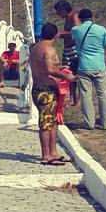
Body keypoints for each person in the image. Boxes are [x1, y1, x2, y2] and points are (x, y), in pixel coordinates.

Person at [28, 24, 75, 165]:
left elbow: (43, 67)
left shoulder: (36, 48)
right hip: (46, 91)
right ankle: (46, 155)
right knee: (46, 123)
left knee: (53, 121)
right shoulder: (48, 49)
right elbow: (49, 69)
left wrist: (60, 68)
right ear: (55, 35)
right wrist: (66, 77)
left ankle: (53, 152)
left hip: (39, 88)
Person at [72, 8, 106, 130]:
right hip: (99, 66)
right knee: (103, 95)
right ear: (92, 17)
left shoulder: (76, 30)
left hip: (84, 67)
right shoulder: (102, 30)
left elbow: (72, 32)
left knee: (86, 95)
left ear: (80, 19)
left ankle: (89, 123)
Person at [54, 0, 81, 104]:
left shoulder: (74, 16)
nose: (58, 14)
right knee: (67, 73)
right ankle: (71, 97)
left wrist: (62, 33)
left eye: (58, 11)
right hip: (67, 49)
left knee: (73, 73)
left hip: (74, 48)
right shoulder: (66, 19)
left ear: (64, 9)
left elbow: (77, 31)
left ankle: (76, 99)